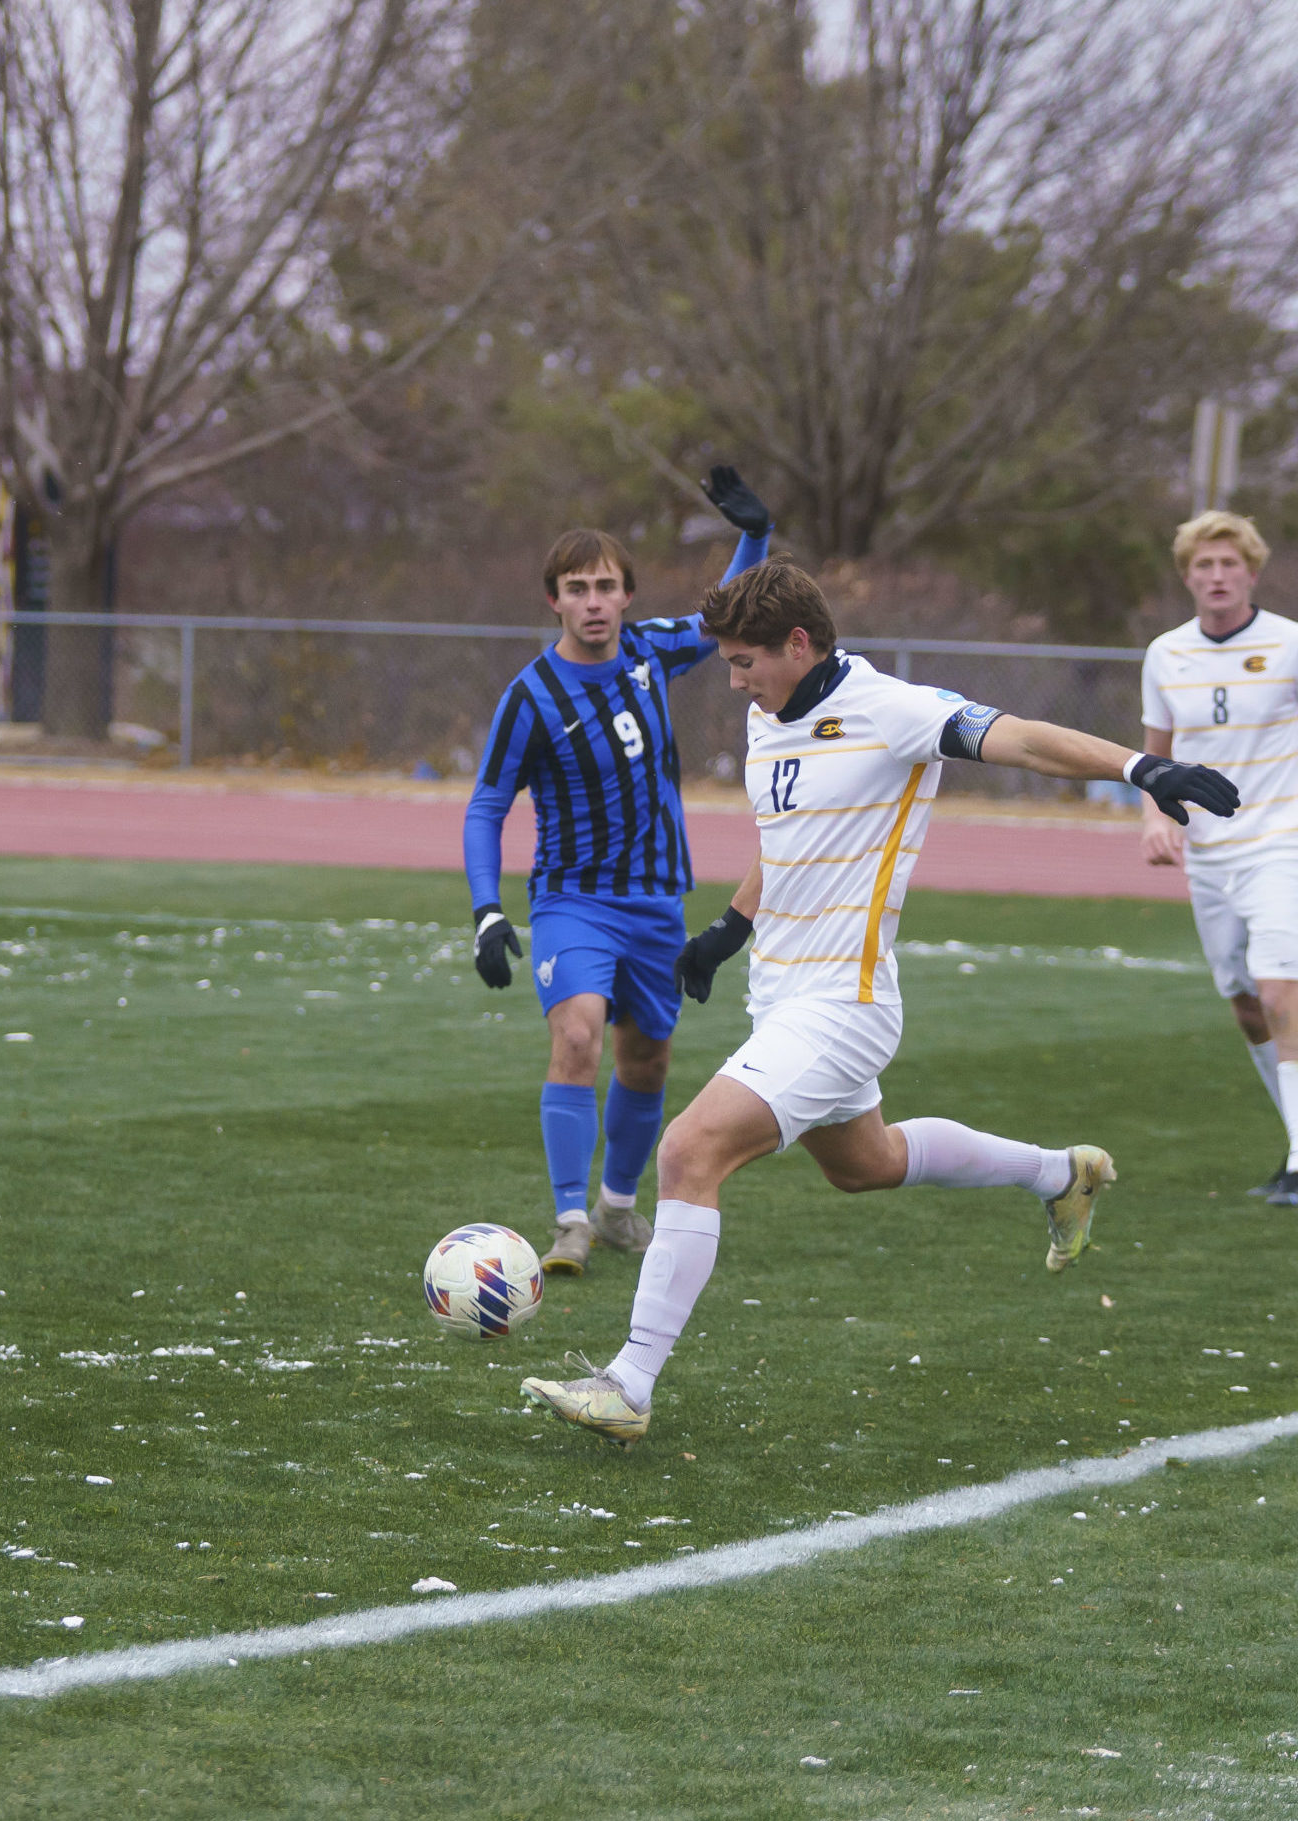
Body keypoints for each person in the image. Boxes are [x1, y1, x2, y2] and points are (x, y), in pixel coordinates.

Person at [521, 561, 1241, 1443]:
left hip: (842, 1004)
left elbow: (1021, 737)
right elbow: (789, 837)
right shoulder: (767, 718)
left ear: (798, 642)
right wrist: (728, 929)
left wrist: (1141, 767)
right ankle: (1062, 1173)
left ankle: (628, 1381)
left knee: (688, 1151)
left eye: (746, 661)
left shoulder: (892, 709)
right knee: (863, 1162)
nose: (735, 679)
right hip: (784, 996)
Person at [461, 468, 772, 1276]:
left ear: (626, 596)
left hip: (656, 905)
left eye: (606, 585)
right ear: (554, 602)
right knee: (576, 1034)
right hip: (571, 901)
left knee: (649, 1060)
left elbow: (727, 615)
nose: (594, 600)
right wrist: (487, 911)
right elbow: (487, 805)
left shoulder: (647, 651)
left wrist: (756, 535)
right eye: (577, 587)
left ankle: (618, 1208)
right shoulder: (529, 697)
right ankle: (569, 1220)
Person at [1136, 510, 1298, 1206]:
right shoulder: (1165, 653)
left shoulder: (1294, 645)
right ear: (1187, 576)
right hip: (1207, 854)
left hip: (1280, 842)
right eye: (1203, 566)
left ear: (1251, 573)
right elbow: (1151, 755)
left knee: (1281, 991)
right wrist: (1151, 819)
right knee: (1247, 1006)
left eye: (1229, 564)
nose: (1217, 576)